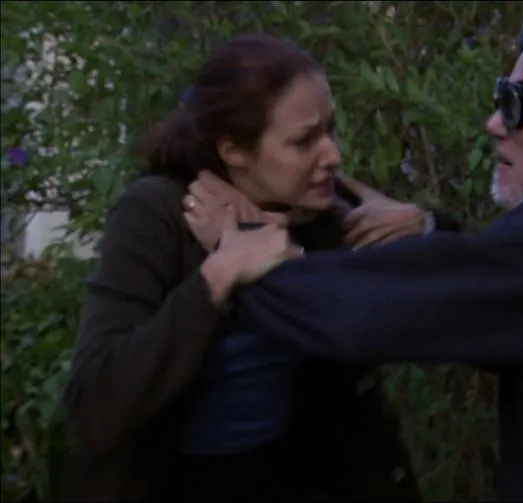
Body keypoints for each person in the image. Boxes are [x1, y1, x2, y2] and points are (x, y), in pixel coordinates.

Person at [184, 16, 523, 501]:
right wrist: (424, 230)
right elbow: (487, 293)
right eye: (501, 97)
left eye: (518, 104)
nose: (494, 123)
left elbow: (366, 315)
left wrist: (244, 252)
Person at [61, 34, 460, 502]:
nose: (332, 155)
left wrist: (425, 223)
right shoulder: (157, 214)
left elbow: (458, 284)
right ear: (234, 151)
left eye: (331, 131)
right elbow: (94, 405)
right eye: (304, 140)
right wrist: (217, 277)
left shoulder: (321, 209)